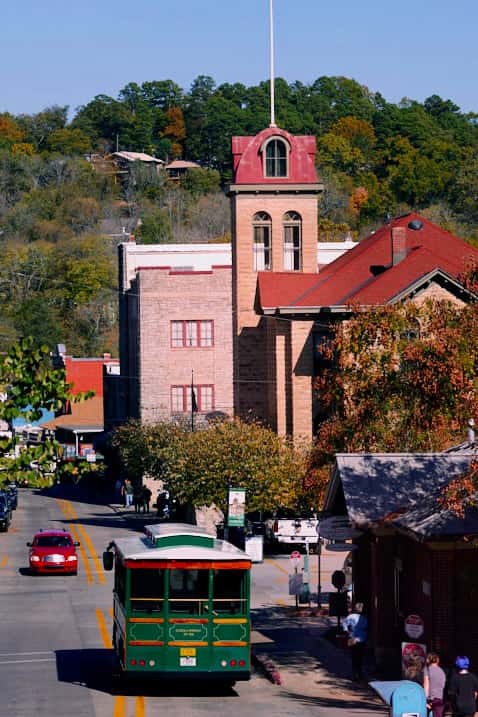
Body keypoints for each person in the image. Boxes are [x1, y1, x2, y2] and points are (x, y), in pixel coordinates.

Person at [342, 602, 368, 681]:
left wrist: (347, 632)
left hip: (352, 638)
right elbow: (366, 628)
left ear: (355, 608)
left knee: (354, 657)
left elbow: (344, 625)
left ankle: (354, 674)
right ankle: (360, 674)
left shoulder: (351, 616)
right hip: (362, 639)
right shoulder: (364, 618)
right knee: (360, 658)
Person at [423, 652, 446, 717]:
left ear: (428, 660)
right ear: (437, 660)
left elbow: (426, 685)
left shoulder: (427, 669)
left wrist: (425, 699)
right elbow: (443, 685)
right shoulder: (442, 671)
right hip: (439, 698)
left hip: (430, 699)